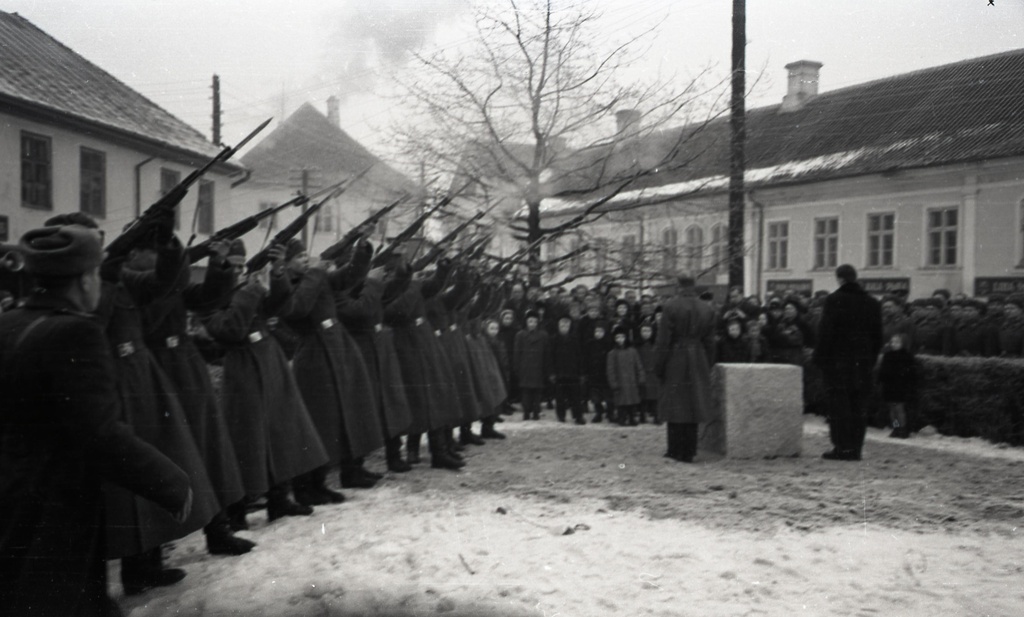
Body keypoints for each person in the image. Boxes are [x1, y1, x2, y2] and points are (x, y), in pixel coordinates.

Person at [0, 225, 192, 616]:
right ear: (86, 278)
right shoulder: (76, 331)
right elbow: (100, 433)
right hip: (56, 503)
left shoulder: (11, 321)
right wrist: (170, 482)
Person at [812, 264, 883, 461]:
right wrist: (870, 360)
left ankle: (842, 447)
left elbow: (825, 333)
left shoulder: (833, 300)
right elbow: (878, 337)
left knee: (839, 406)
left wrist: (820, 359)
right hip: (863, 365)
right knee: (859, 407)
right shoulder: (872, 302)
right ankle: (856, 448)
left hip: (838, 364)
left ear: (840, 279)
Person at [654, 274, 717, 463]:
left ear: (678, 285)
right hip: (698, 356)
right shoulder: (706, 308)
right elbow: (710, 342)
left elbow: (663, 340)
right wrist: (707, 363)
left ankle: (674, 449)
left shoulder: (670, 306)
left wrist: (659, 365)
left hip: (676, 356)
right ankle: (690, 450)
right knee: (693, 403)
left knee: (675, 404)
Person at [548, 314, 586, 424]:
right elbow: (550, 357)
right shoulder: (554, 340)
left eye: (566, 325)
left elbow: (580, 357)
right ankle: (561, 415)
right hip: (559, 373)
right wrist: (551, 373)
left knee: (575, 397)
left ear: (570, 326)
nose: (564, 327)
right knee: (559, 397)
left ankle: (578, 416)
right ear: (558, 326)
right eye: (562, 325)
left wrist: (581, 373)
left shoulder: (575, 339)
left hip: (573, 373)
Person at [877, 332, 915, 439]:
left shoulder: (907, 356)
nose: (894, 344)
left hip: (900, 387)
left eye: (897, 342)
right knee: (892, 410)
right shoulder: (888, 355)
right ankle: (896, 428)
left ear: (902, 343)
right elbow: (882, 371)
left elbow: (910, 373)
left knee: (899, 408)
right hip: (889, 386)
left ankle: (903, 429)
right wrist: (881, 381)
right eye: (892, 342)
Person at [606, 325, 646, 426]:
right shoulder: (612, 353)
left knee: (632, 401)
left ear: (626, 338)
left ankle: (632, 418)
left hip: (632, 381)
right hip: (620, 382)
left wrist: (641, 378)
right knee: (621, 402)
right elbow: (610, 370)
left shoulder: (633, 351)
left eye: (622, 337)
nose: (620, 339)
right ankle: (622, 417)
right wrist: (613, 383)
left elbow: (638, 365)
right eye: (617, 337)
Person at [513, 309, 549, 421]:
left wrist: (546, 368)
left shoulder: (543, 335)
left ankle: (536, 412)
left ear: (538, 322)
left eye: (535, 321)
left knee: (537, 392)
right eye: (530, 321)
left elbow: (546, 353)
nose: (532, 324)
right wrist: (517, 367)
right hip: (525, 367)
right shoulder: (520, 335)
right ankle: (526, 412)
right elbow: (517, 353)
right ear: (526, 322)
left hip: (538, 367)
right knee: (526, 392)